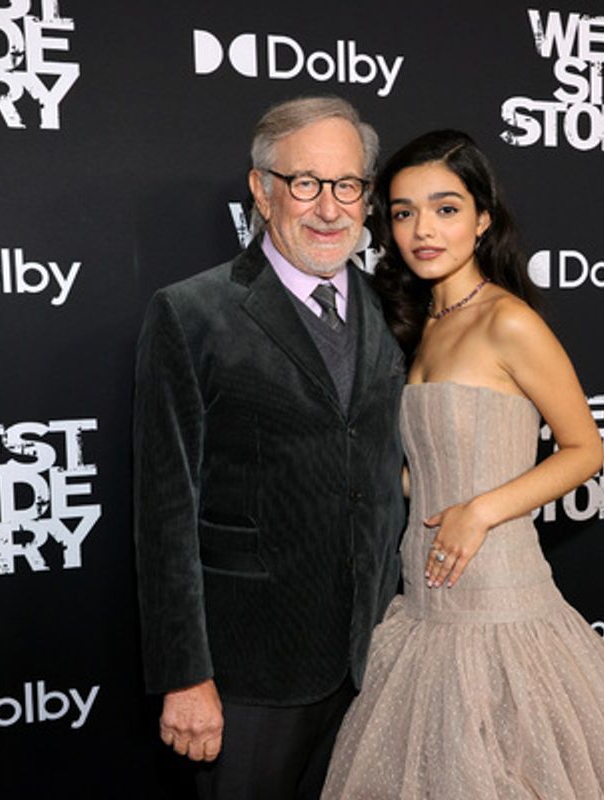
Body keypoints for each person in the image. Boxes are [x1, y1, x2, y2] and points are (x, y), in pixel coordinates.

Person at [321, 130, 604, 799]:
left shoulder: (509, 322)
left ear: (483, 219)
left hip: (498, 602)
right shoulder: (416, 323)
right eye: (403, 212)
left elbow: (586, 450)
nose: (423, 229)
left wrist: (479, 512)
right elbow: (428, 468)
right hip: (424, 602)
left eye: (446, 208)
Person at [133, 96, 407, 800]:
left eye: (348, 185)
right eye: (305, 183)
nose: (329, 208)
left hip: (373, 656)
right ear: (261, 188)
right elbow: (166, 510)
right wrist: (185, 676)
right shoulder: (192, 312)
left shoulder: (392, 308)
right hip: (246, 672)